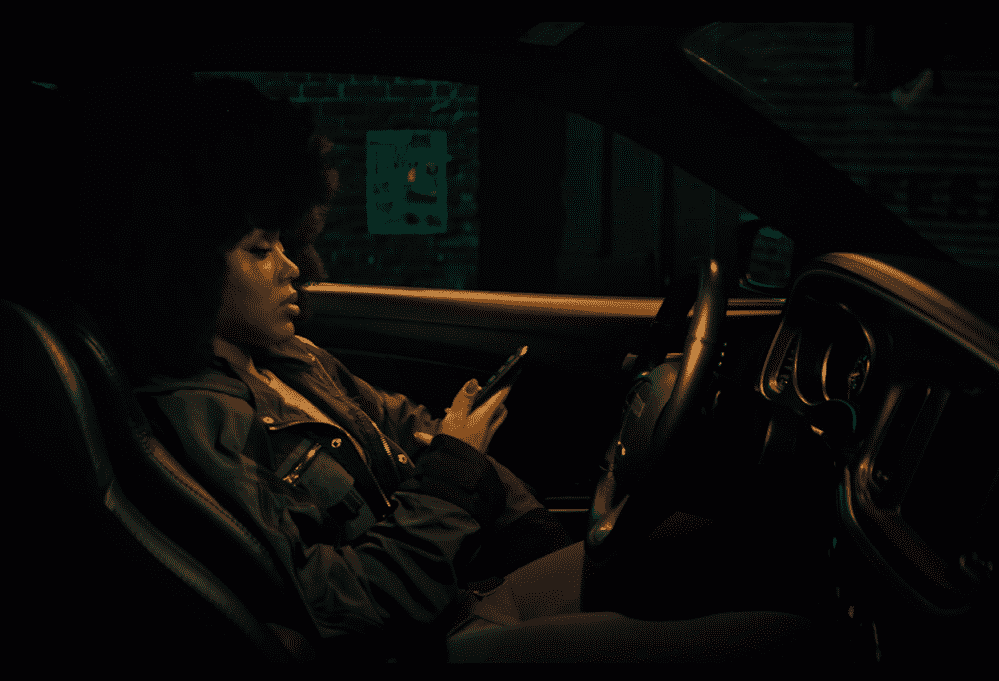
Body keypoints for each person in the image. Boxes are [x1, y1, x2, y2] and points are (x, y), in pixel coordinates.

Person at [68, 68, 815, 662]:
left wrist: (469, 471)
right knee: (786, 643)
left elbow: (398, 424)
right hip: (427, 639)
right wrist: (455, 472)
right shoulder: (203, 416)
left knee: (725, 542)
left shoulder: (286, 357)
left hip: (459, 585)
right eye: (262, 249)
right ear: (184, 266)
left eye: (288, 241)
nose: (295, 267)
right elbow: (334, 604)